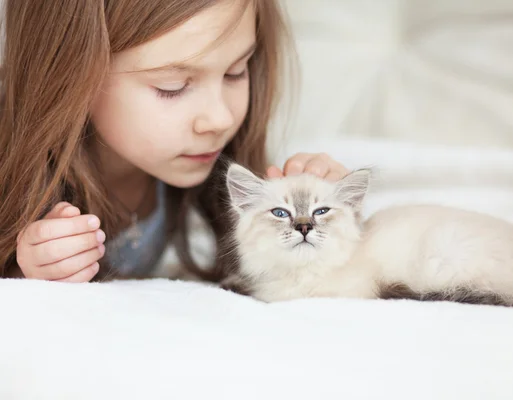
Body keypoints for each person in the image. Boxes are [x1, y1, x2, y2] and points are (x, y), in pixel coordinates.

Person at [0, 0, 349, 283]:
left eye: (236, 72)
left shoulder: (188, 162)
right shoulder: (13, 172)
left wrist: (334, 212)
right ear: (67, 71)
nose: (220, 118)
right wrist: (24, 274)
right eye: (173, 87)